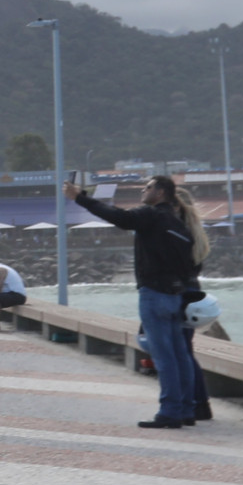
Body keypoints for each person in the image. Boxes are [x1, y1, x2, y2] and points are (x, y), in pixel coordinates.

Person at [68, 175, 211, 429]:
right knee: (181, 356)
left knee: (164, 357)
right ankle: (187, 410)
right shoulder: (180, 226)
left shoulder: (152, 215)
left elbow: (119, 218)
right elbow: (191, 267)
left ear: (160, 192)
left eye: (147, 187)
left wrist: (81, 198)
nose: (142, 192)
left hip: (155, 295)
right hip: (177, 298)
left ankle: (169, 412)